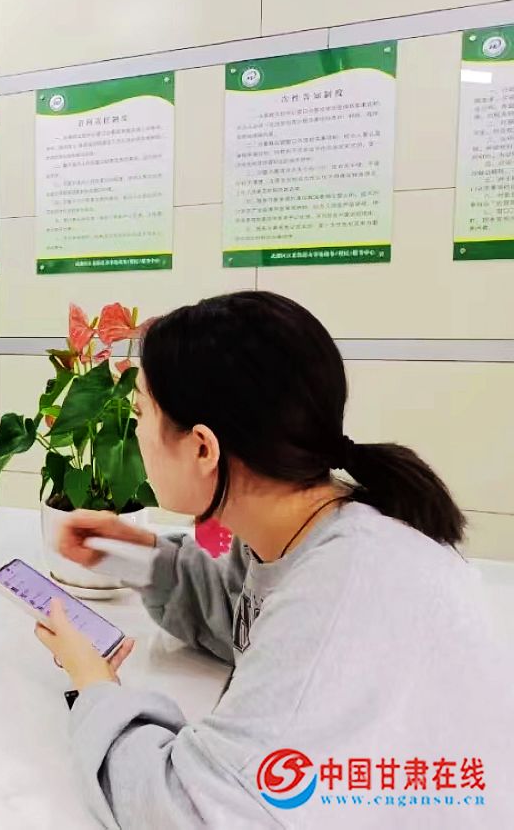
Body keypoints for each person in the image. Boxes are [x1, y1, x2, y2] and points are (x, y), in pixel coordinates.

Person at [34, 291, 513, 828]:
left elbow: (187, 809)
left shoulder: (342, 591)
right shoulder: (317, 528)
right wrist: (136, 556)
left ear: (202, 448)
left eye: (141, 412)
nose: (136, 430)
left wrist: (94, 686)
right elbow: (248, 616)